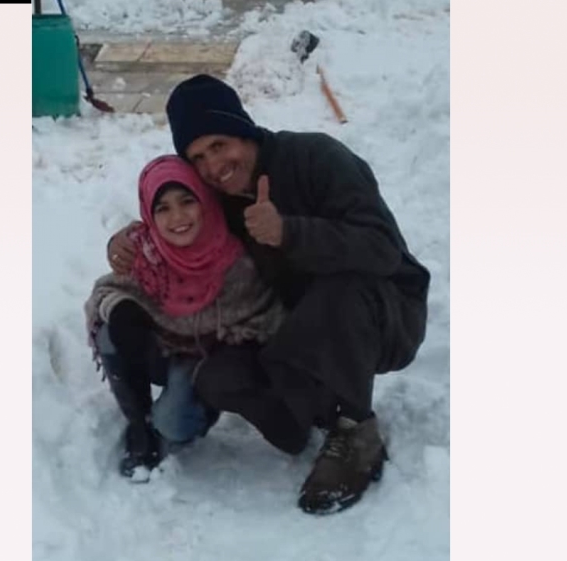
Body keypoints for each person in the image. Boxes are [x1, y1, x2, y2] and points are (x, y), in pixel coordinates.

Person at [106, 75, 431, 513]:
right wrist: (127, 243)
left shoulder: (317, 157)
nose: (212, 165)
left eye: (219, 145)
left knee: (339, 290)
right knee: (219, 375)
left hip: (383, 312)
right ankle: (301, 417)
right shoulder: (220, 197)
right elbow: (178, 225)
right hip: (293, 326)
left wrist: (290, 232)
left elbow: (383, 251)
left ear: (244, 130)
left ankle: (355, 430)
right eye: (198, 157)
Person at [84, 154, 286, 481]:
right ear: (149, 213)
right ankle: (139, 424)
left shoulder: (234, 260)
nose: (177, 217)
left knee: (174, 426)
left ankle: (199, 410)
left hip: (205, 360)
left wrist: (230, 353)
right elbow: (104, 292)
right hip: (160, 347)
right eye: (162, 208)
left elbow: (267, 316)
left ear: (204, 201)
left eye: (186, 201)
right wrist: (122, 311)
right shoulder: (144, 250)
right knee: (110, 332)